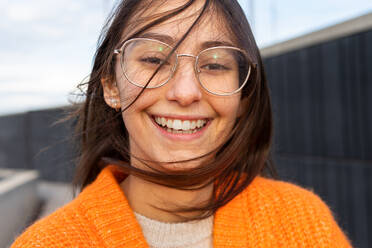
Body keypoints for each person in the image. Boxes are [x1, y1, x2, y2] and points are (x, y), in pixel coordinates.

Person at [11, 0, 352, 247]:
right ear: (112, 86)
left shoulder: (303, 223)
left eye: (215, 64)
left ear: (242, 97)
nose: (185, 92)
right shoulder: (49, 242)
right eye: (155, 59)